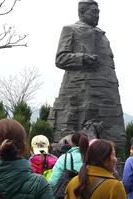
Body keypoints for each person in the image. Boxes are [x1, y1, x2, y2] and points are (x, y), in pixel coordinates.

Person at [49, 0, 126, 155]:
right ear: (82, 13)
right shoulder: (70, 29)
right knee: (78, 132)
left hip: (107, 95)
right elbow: (60, 59)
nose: (97, 15)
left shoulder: (102, 35)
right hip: (80, 91)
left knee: (112, 137)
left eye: (98, 12)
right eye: (93, 12)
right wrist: (83, 58)